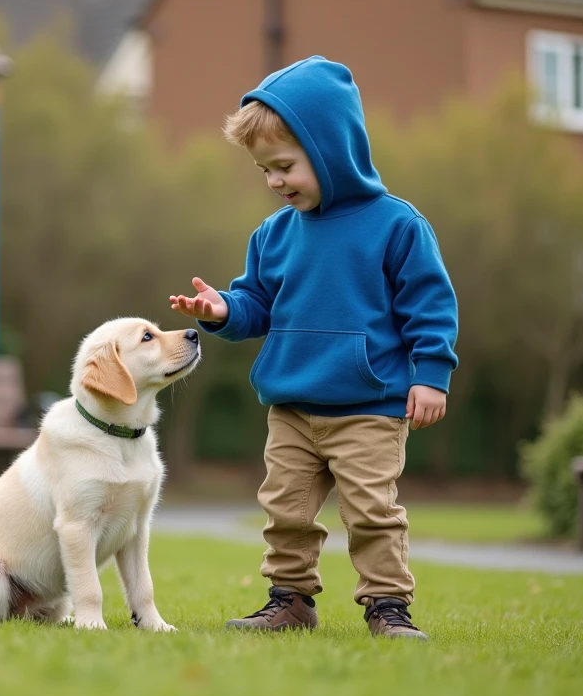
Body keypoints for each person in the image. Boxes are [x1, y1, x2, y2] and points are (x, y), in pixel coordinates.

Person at [169, 56, 458, 640]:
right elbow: (256, 304)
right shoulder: (273, 234)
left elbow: (431, 307)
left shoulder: (397, 226)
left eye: (285, 166)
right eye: (264, 171)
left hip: (369, 408)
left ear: (330, 149)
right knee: (286, 513)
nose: (275, 181)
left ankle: (387, 608)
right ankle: (290, 601)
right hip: (293, 408)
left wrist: (430, 375)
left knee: (372, 513)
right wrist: (225, 310)